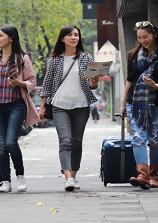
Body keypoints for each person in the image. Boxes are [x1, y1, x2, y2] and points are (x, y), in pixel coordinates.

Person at [0, 24, 39, 193]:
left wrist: (19, 83)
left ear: (11, 38)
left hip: (15, 105)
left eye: (1, 36)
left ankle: (20, 176)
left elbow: (32, 82)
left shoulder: (22, 59)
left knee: (11, 142)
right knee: (1, 145)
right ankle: (5, 180)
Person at [39, 25, 99, 191]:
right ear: (62, 38)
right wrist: (42, 107)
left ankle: (73, 175)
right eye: (70, 35)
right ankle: (68, 179)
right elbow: (47, 84)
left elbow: (91, 84)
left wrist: (94, 82)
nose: (74, 37)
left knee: (76, 142)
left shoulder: (86, 58)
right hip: (59, 106)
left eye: (76, 35)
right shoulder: (54, 60)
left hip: (81, 105)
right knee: (65, 141)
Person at [120, 21, 158, 189]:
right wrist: (123, 105)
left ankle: (153, 176)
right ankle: (142, 175)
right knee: (138, 138)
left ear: (154, 35)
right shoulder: (133, 56)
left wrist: (155, 86)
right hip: (135, 104)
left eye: (145, 37)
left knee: (154, 141)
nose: (143, 40)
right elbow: (129, 81)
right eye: (139, 38)